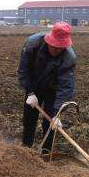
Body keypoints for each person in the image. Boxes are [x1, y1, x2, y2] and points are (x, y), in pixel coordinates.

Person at [18, 22, 77, 153]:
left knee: (50, 123)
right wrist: (30, 93)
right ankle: (26, 148)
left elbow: (66, 86)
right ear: (49, 40)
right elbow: (23, 71)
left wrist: (58, 114)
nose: (57, 50)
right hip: (33, 85)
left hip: (53, 89)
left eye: (60, 48)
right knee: (29, 118)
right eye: (55, 47)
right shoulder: (32, 45)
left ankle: (46, 153)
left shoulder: (69, 57)